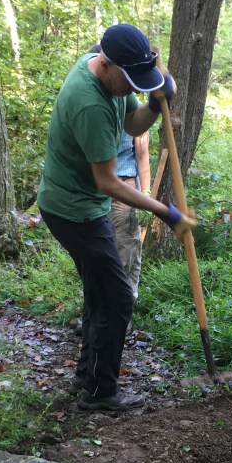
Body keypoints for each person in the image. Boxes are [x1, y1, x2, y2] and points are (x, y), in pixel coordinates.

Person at [39, 24, 194, 412]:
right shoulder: (90, 104)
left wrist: (154, 106)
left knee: (101, 292)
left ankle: (87, 376)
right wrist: (164, 210)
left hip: (81, 204)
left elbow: (131, 123)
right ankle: (100, 392)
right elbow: (107, 182)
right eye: (130, 81)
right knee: (118, 296)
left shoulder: (107, 73)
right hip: (74, 211)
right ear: (106, 65)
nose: (132, 89)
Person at [87, 44, 151, 300]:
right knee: (106, 258)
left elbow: (142, 156)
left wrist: (146, 193)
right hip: (99, 192)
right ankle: (109, 307)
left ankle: (123, 307)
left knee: (128, 252)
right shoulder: (93, 104)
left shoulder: (129, 104)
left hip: (125, 191)